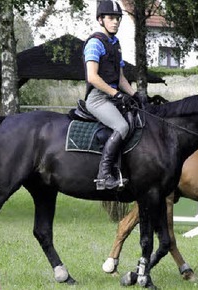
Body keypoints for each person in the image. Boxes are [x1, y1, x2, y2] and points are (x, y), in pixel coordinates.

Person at [84, 0, 135, 190]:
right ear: (100, 19)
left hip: (113, 96)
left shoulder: (115, 44)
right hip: (97, 98)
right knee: (122, 126)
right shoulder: (95, 43)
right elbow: (92, 77)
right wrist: (116, 94)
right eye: (111, 18)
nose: (115, 22)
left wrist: (134, 94)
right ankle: (104, 175)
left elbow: (121, 78)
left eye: (118, 19)